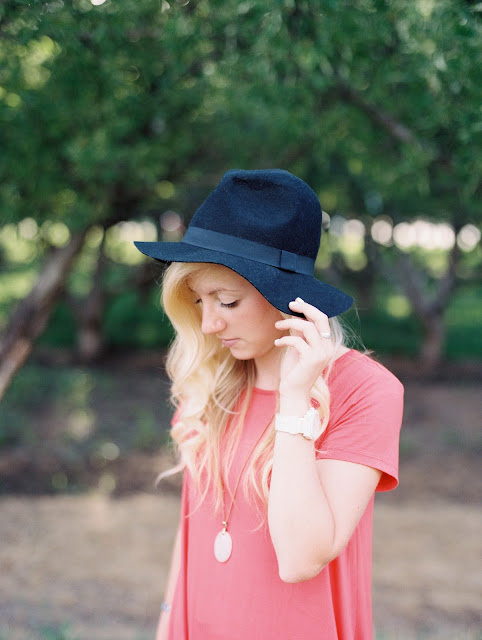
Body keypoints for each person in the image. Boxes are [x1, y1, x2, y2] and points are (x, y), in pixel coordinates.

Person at [134, 169, 404, 640]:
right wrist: (165, 623)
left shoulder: (364, 391)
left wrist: (295, 398)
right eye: (199, 301)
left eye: (228, 301)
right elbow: (193, 529)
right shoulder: (211, 382)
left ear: (286, 299)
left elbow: (301, 559)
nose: (210, 324)